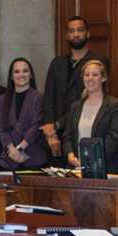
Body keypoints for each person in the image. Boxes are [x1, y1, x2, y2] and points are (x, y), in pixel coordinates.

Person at [40, 16, 95, 154]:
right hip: (53, 137)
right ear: (67, 35)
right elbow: (48, 97)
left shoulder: (96, 63)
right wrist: (50, 130)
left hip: (80, 132)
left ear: (87, 34)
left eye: (80, 30)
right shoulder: (57, 63)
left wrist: (57, 124)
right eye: (71, 31)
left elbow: (87, 100)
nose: (76, 34)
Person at [63, 57, 118, 172]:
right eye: (86, 75)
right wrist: (70, 155)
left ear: (103, 78)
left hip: (104, 169)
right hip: (76, 168)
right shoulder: (75, 107)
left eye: (95, 75)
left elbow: (113, 139)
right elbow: (67, 137)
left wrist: (92, 160)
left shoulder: (114, 105)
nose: (90, 78)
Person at [0, 56, 50, 170]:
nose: (21, 75)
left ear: (31, 75)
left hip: (33, 158)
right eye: (16, 71)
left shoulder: (38, 97)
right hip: (9, 159)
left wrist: (20, 148)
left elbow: (37, 126)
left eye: (25, 71)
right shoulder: (2, 100)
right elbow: (1, 127)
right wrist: (12, 150)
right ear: (11, 76)